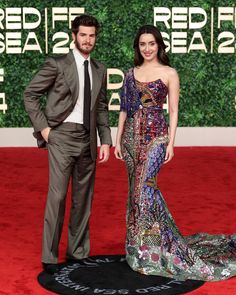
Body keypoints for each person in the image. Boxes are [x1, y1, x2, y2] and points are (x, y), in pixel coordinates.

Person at [114, 25, 236, 281]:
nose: (147, 48)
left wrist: (170, 143)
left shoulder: (169, 73)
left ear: (159, 45)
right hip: (130, 141)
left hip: (156, 139)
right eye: (142, 44)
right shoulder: (130, 74)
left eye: (151, 44)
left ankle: (155, 249)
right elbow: (124, 109)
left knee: (146, 190)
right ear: (138, 47)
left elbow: (174, 111)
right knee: (135, 195)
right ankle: (139, 248)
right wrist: (117, 140)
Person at [24, 14, 112, 274]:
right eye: (83, 35)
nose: (87, 40)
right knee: (58, 196)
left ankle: (77, 253)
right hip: (61, 136)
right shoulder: (57, 64)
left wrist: (105, 140)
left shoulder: (100, 69)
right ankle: (49, 257)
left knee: (83, 199)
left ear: (96, 38)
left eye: (92, 35)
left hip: (88, 138)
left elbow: (102, 107)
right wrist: (45, 130)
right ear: (74, 36)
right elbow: (30, 94)